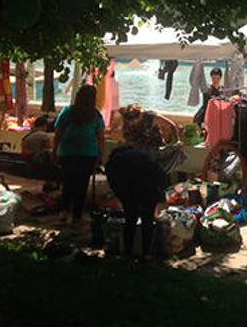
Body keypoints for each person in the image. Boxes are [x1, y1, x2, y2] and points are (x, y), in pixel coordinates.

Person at [53, 85, 105, 223]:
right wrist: (100, 155)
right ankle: (77, 216)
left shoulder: (67, 112)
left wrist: (54, 151)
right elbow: (100, 137)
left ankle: (64, 212)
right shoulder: (95, 115)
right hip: (87, 154)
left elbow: (58, 134)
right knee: (81, 185)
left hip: (67, 152)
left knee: (68, 182)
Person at [105, 146, 166, 259]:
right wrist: (160, 198)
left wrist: (121, 198)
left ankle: (127, 252)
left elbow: (113, 183)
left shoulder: (114, 163)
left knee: (130, 219)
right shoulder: (143, 156)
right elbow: (160, 175)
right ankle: (146, 254)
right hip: (149, 186)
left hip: (130, 188)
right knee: (147, 220)